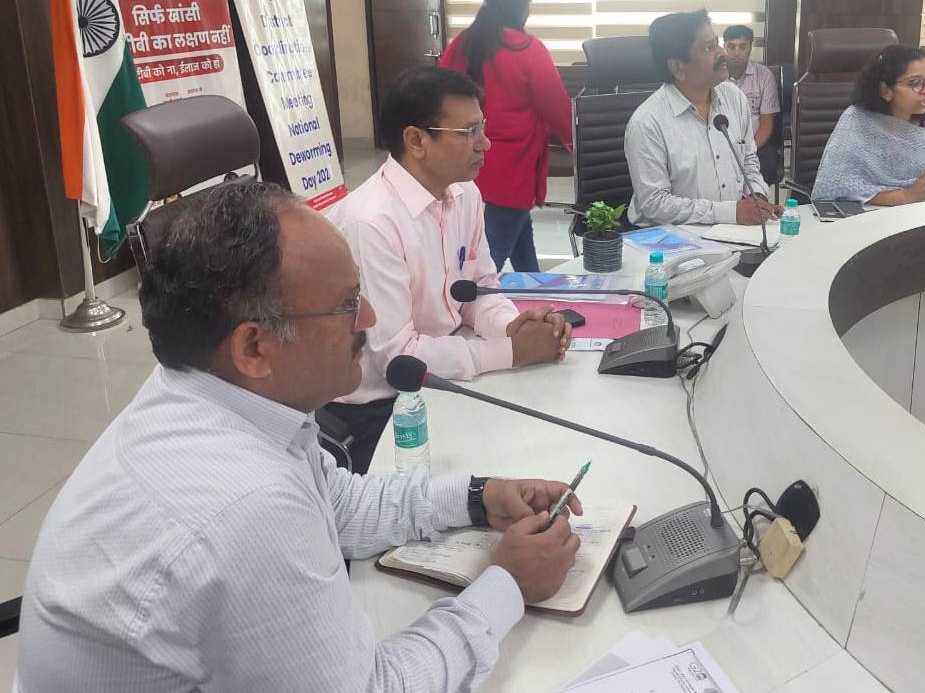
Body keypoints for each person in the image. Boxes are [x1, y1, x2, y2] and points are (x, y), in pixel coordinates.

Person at [15, 181, 582, 693]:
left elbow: (335, 501)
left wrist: (477, 497)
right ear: (254, 347)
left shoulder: (211, 391)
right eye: (346, 305)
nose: (368, 319)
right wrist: (508, 585)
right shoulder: (246, 505)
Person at [324, 66, 571, 473]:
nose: (485, 144)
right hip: (382, 411)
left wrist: (512, 328)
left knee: (536, 450)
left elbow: (479, 288)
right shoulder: (371, 224)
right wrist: (511, 352)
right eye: (469, 132)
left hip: (447, 372)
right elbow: (397, 357)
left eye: (482, 127)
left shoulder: (465, 194)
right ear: (416, 140)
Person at [440, 0, 573, 272]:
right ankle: (466, 303)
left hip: (468, 162)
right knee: (490, 258)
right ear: (520, 5)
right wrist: (578, 144)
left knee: (521, 240)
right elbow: (557, 108)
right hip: (513, 169)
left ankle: (537, 290)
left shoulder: (464, 43)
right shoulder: (527, 49)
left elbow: (437, 95)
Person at [625, 9, 780, 226]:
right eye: (709, 47)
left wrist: (757, 198)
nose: (722, 53)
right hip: (673, 237)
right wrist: (729, 213)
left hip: (733, 231)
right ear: (678, 68)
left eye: (717, 43)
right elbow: (654, 204)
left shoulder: (734, 97)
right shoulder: (647, 122)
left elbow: (748, 159)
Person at [812, 45, 925, 204]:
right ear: (886, 91)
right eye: (915, 83)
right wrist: (905, 196)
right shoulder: (857, 120)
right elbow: (837, 186)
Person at [723, 24, 782, 185]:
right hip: (722, 143)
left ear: (750, 47)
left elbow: (767, 123)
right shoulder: (715, 76)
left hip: (756, 142)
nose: (736, 52)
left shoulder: (764, 76)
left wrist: (750, 150)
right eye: (731, 46)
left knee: (768, 166)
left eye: (742, 47)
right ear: (724, 47)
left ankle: (758, 198)